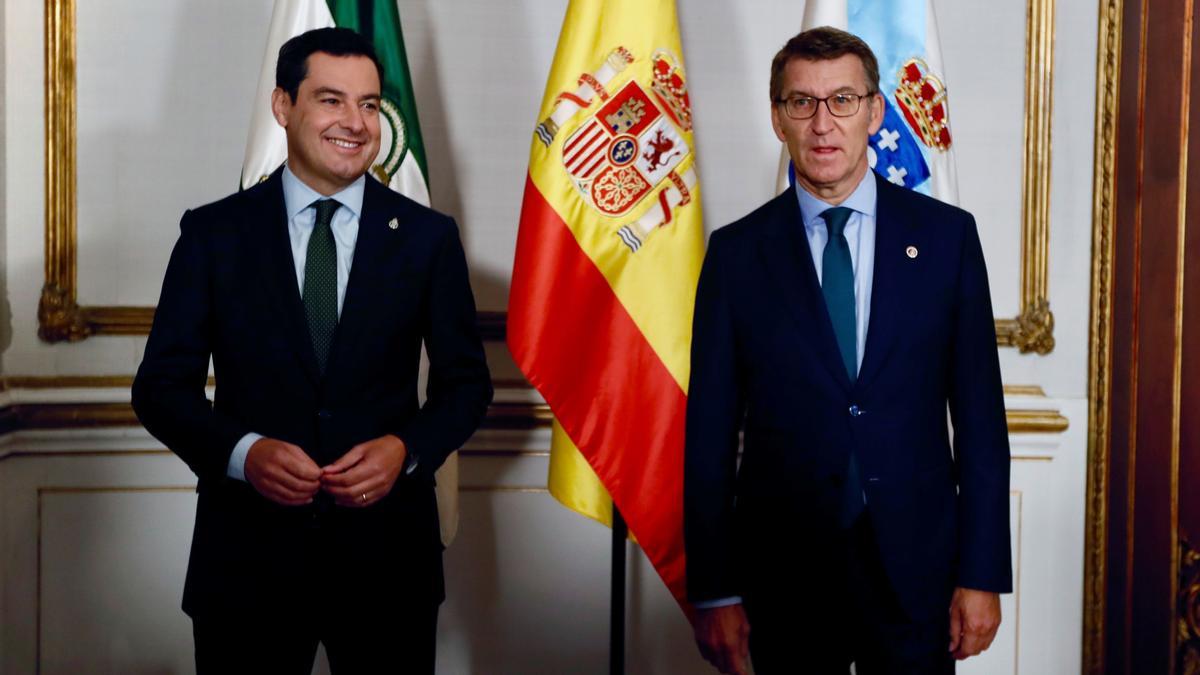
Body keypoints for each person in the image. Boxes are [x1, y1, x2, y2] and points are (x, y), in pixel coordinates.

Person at [132, 27, 492, 674]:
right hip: (247, 562)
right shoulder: (214, 234)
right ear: (283, 107)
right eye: (331, 100)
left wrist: (405, 450)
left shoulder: (426, 239)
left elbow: (467, 385)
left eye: (371, 105)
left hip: (388, 564)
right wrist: (244, 454)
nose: (355, 123)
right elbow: (160, 387)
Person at [684, 27, 1011, 674]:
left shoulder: (947, 240)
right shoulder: (737, 254)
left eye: (842, 100)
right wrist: (716, 588)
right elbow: (709, 437)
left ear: (874, 111)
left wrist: (982, 573)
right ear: (778, 118)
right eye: (801, 102)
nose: (823, 123)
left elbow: (979, 421)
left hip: (918, 570)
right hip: (784, 572)